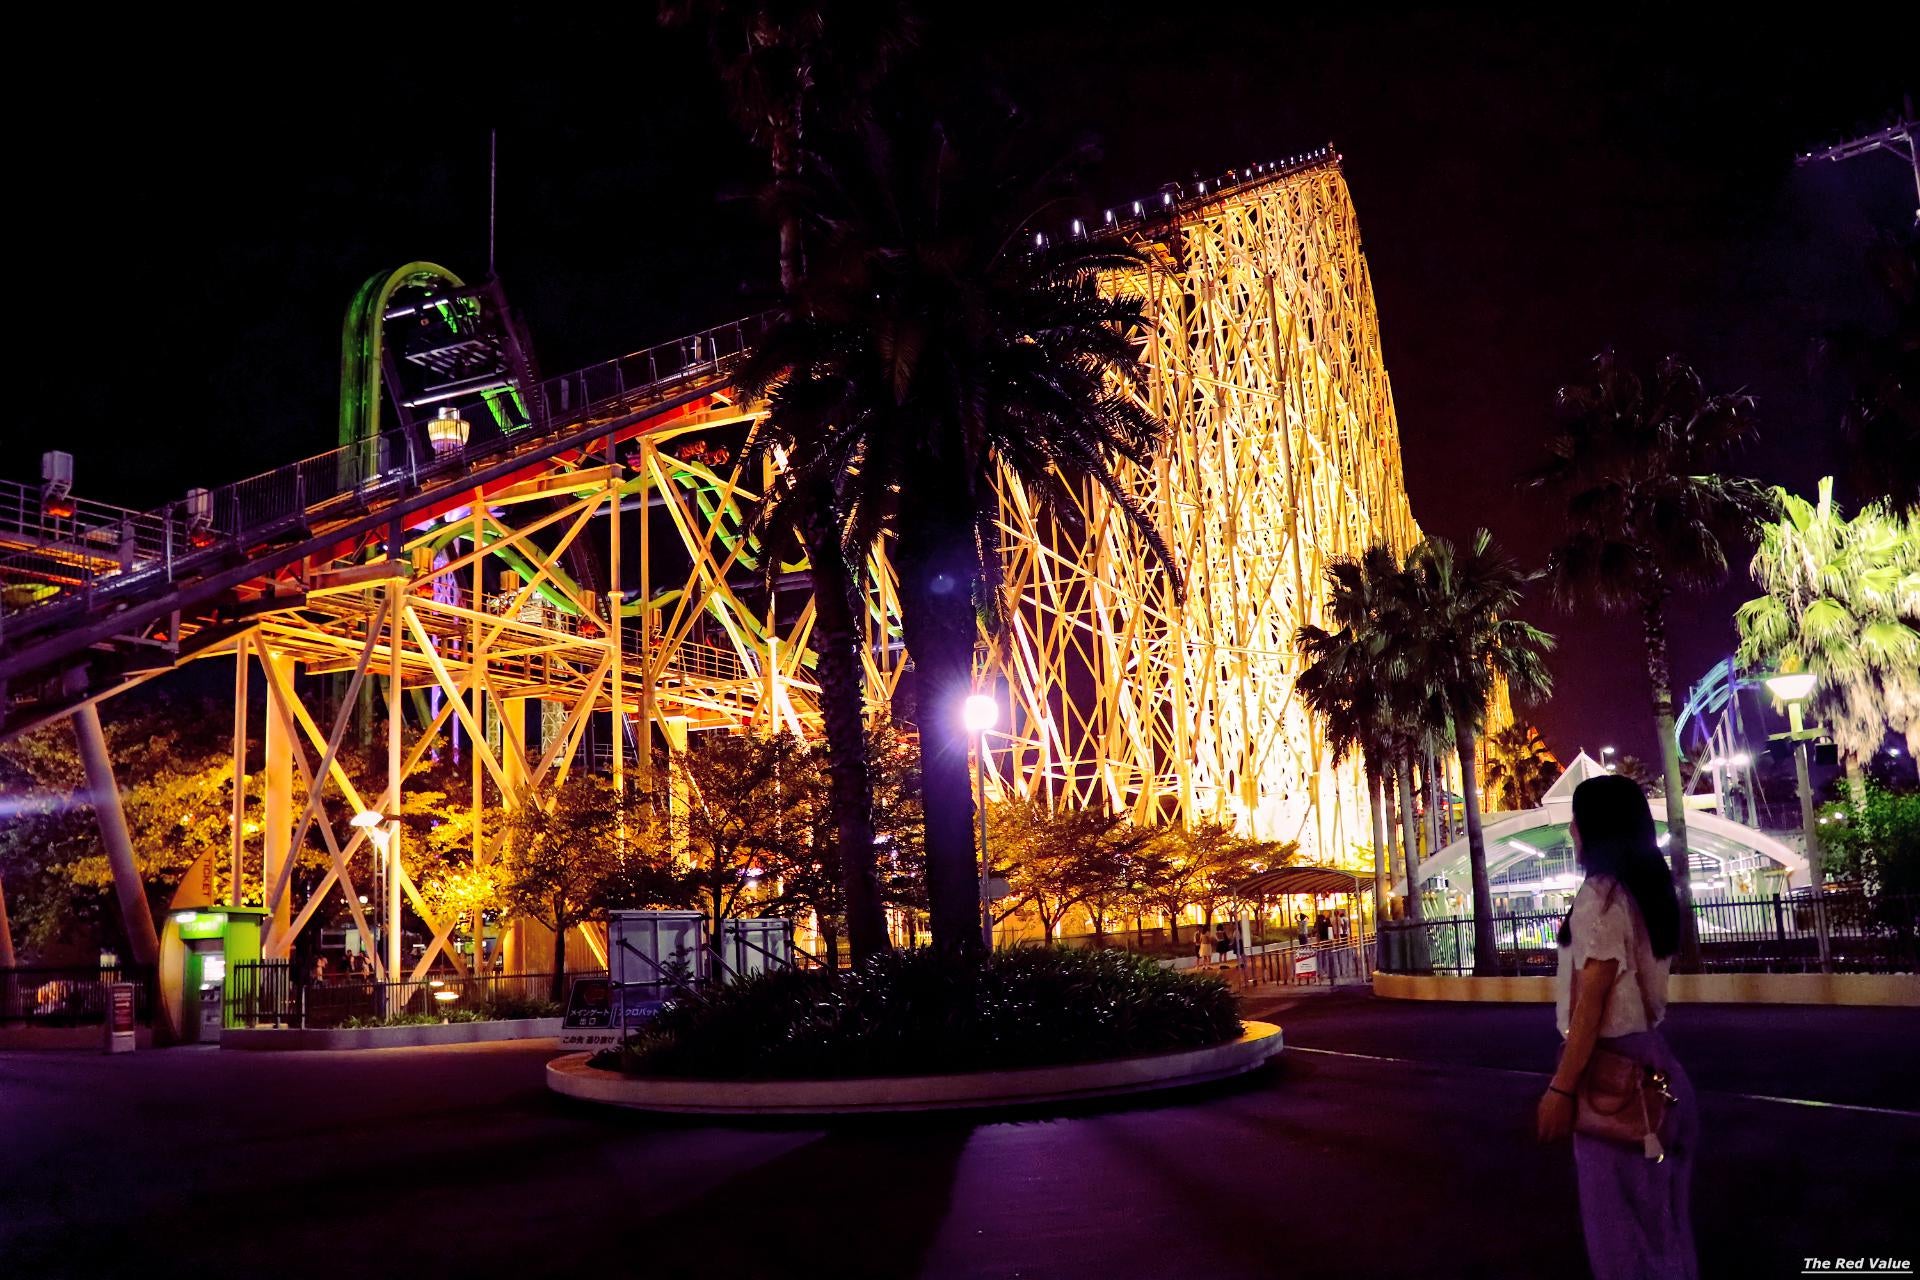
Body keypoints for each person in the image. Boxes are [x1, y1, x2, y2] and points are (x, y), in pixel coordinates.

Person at [1536, 775, 1697, 1280]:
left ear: (1596, 827)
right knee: (1664, 1224)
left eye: (1577, 818)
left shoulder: (1599, 899)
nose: (1570, 828)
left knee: (1619, 1238)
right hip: (1658, 1072)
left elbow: (1592, 1004)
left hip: (1614, 1082)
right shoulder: (1645, 893)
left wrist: (1561, 1088)